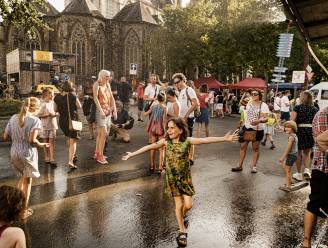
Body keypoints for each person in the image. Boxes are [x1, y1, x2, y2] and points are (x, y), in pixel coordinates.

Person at [122, 117, 238, 247]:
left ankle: (181, 219)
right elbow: (149, 147)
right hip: (172, 179)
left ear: (180, 130)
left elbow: (205, 140)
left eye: (172, 128)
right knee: (178, 205)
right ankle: (182, 231)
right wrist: (132, 154)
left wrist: (224, 138)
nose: (169, 130)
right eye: (168, 128)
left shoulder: (187, 141)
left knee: (188, 206)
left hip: (185, 179)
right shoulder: (166, 142)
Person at [3, 97, 49, 218]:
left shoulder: (13, 117)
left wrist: (17, 137)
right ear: (36, 108)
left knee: (23, 178)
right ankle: (23, 210)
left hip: (14, 151)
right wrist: (42, 144)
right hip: (27, 153)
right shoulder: (35, 120)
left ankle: (12, 206)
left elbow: (5, 137)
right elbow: (32, 141)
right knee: (28, 181)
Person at [302, 107, 328, 248]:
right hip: (322, 167)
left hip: (322, 166)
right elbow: (321, 140)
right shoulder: (324, 113)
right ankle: (306, 241)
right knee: (314, 204)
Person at [232, 89, 269, 173]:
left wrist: (259, 121)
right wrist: (241, 122)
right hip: (246, 127)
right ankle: (240, 166)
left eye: (256, 94)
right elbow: (244, 113)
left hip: (257, 129)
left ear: (259, 95)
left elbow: (266, 118)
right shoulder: (248, 103)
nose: (253, 95)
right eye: (252, 94)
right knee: (242, 146)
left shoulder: (263, 105)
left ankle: (254, 166)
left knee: (255, 148)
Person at [291, 91, 319, 181]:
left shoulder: (297, 107)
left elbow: (292, 121)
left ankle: (299, 174)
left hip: (299, 131)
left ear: (303, 98)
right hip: (310, 131)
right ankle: (307, 170)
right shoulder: (314, 109)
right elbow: (316, 122)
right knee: (307, 152)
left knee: (298, 153)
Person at [54, 81, 81, 169]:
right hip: (72, 120)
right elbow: (79, 106)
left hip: (62, 121)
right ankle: (70, 161)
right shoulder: (72, 95)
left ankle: (73, 154)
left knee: (69, 137)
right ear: (71, 87)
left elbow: (55, 109)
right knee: (73, 140)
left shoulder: (57, 97)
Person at [173, 73, 199, 165]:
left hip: (188, 119)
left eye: (178, 82)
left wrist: (186, 116)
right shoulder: (180, 92)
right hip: (181, 119)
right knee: (182, 138)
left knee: (189, 138)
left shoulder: (189, 90)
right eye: (175, 83)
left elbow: (196, 103)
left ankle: (190, 158)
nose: (176, 84)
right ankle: (184, 156)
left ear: (183, 80)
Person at [93, 70, 117, 165]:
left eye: (109, 76)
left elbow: (111, 97)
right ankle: (100, 156)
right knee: (104, 133)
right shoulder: (97, 84)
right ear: (101, 76)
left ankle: (97, 152)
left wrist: (114, 109)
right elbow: (95, 98)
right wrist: (101, 111)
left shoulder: (108, 85)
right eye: (107, 76)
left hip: (108, 111)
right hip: (100, 111)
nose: (109, 78)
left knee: (101, 134)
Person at [145, 92, 168, 174]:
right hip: (161, 129)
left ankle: (151, 166)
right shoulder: (165, 108)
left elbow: (145, 114)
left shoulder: (153, 107)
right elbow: (164, 121)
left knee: (152, 147)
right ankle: (160, 168)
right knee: (161, 149)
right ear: (164, 99)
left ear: (157, 99)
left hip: (153, 128)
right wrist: (166, 132)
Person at [38, 88, 58, 168]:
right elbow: (38, 115)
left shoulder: (53, 103)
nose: (53, 96)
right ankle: (47, 157)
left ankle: (52, 158)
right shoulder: (42, 104)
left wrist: (56, 114)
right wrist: (47, 115)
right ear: (47, 95)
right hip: (45, 126)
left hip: (53, 125)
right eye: (52, 94)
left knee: (52, 143)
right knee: (46, 142)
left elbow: (55, 111)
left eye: (53, 94)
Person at [278, 121, 298, 191]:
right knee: (287, 169)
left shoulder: (291, 137)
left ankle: (288, 186)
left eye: (289, 127)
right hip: (294, 154)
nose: (286, 128)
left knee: (287, 170)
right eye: (286, 127)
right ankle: (290, 181)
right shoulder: (294, 135)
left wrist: (283, 157)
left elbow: (288, 148)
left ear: (293, 128)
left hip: (291, 155)